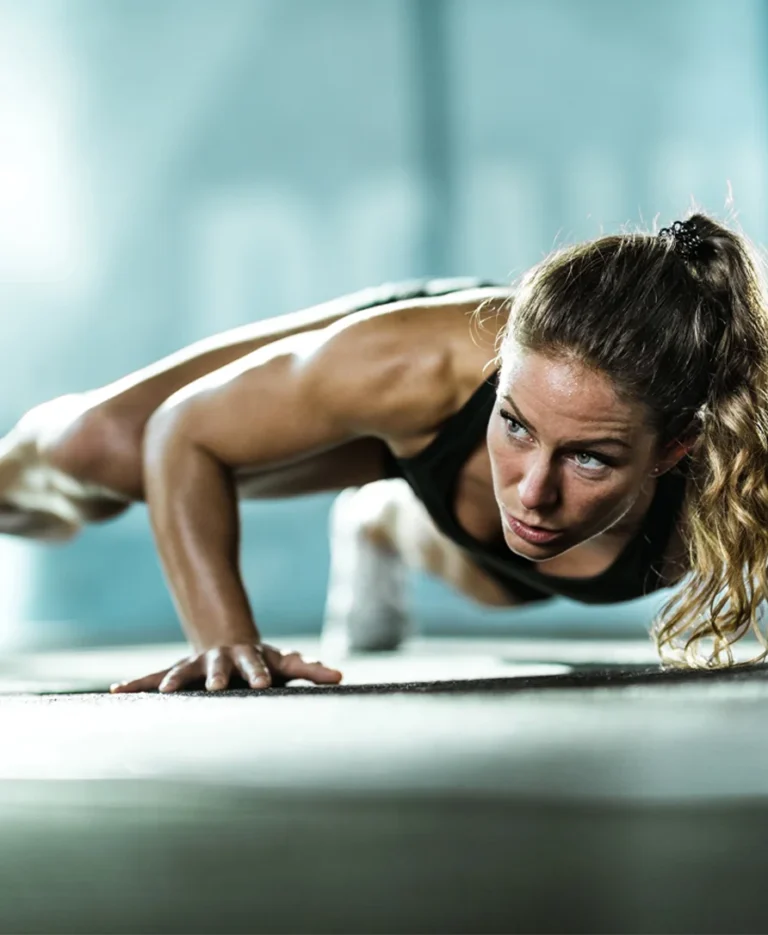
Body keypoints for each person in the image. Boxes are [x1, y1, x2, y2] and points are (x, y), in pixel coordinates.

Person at [2, 213, 767, 691]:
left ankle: (380, 520)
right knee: (96, 449)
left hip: (494, 544)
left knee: (503, 582)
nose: (533, 489)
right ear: (499, 370)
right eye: (516, 424)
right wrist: (225, 640)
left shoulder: (745, 464)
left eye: (590, 458)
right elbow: (183, 430)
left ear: (678, 447)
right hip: (418, 418)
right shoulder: (417, 366)